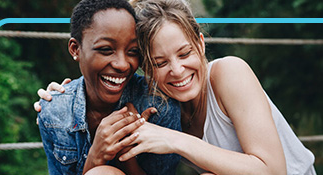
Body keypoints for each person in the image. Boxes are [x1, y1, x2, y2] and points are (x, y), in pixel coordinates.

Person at [37, 0, 316, 174]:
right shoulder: (163, 105)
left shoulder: (229, 72)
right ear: (146, 68)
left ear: (201, 44)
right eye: (160, 62)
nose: (178, 71)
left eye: (185, 54)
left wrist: (175, 141)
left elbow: (274, 171)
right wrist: (69, 93)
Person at [36, 0, 181, 175]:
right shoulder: (54, 112)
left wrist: (125, 151)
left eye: (133, 51)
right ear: (75, 49)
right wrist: (96, 156)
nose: (122, 64)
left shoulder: (159, 105)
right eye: (106, 49)